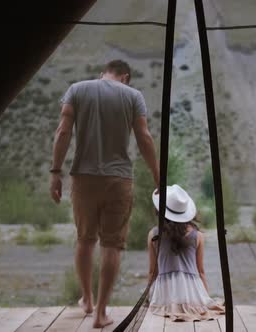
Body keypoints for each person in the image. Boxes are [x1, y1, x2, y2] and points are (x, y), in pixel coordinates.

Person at [49, 60, 159, 328]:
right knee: (112, 245)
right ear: (125, 77)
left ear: (103, 74)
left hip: (83, 178)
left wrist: (55, 171)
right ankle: (100, 313)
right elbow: (144, 137)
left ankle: (86, 300)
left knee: (85, 240)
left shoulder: (77, 89)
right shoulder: (133, 96)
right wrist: (159, 176)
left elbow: (63, 131)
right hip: (119, 179)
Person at [147, 184, 225, 321]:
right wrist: (205, 298)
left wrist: (148, 298)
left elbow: (153, 272)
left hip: (165, 295)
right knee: (203, 302)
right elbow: (201, 271)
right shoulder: (198, 235)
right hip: (192, 293)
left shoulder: (154, 234)